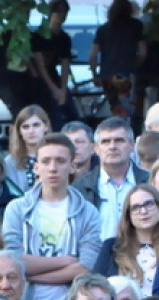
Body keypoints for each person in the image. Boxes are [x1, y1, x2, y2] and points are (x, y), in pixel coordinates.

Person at [2, 133, 102, 300]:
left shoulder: (88, 211)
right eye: (46, 161)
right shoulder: (17, 208)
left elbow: (85, 268)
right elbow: (13, 261)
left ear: (73, 166)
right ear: (36, 167)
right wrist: (65, 261)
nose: (53, 167)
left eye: (60, 161)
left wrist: (32, 274)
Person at [73, 118, 150, 241]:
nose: (112, 146)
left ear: (132, 145)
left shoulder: (150, 181)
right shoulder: (80, 186)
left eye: (119, 140)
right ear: (96, 148)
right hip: (98, 258)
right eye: (105, 142)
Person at [94, 184, 159, 295]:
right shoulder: (111, 247)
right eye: (136, 207)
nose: (143, 211)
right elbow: (94, 287)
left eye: (149, 204)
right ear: (128, 215)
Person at [89, 0, 146, 120]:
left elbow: (93, 56)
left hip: (107, 77)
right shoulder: (136, 26)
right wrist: (134, 66)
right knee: (129, 111)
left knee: (115, 110)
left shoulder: (103, 29)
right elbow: (142, 53)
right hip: (126, 75)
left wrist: (95, 75)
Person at [31, 0, 78, 128]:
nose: (62, 15)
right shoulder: (38, 36)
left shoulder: (64, 38)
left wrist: (63, 89)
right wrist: (54, 89)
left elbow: (65, 64)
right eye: (58, 12)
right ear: (50, 13)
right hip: (39, 82)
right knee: (54, 117)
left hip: (55, 78)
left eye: (64, 12)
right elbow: (40, 66)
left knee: (73, 116)